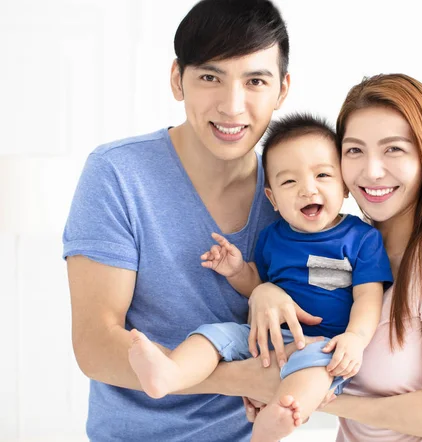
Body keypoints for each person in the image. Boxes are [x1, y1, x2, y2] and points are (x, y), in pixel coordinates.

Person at [62, 1, 320, 441]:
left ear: (282, 90)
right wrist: (237, 379)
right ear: (177, 79)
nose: (232, 106)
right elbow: (94, 344)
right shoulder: (118, 174)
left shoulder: (296, 195)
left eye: (255, 81)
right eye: (210, 77)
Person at [127, 114, 394, 442]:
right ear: (272, 199)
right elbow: (259, 285)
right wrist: (238, 270)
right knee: (213, 336)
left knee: (318, 372)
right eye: (289, 182)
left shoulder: (361, 239)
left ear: (345, 185)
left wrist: (355, 337)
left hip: (323, 345)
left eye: (323, 175)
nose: (307, 189)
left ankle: (280, 417)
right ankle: (171, 373)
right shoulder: (272, 238)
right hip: (264, 338)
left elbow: (369, 297)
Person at [244, 73, 422, 442]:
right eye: (354, 150)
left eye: (394, 149)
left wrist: (312, 397)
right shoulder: (356, 247)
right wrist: (264, 292)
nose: (371, 171)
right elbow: (307, 310)